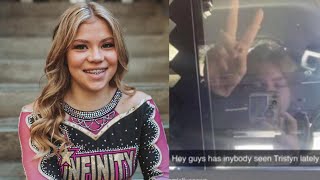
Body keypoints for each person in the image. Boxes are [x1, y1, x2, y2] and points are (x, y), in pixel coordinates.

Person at [18, 2, 169, 179]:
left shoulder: (141, 108)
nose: (96, 57)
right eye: (80, 46)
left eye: (107, 45)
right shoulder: (36, 118)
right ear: (63, 55)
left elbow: (159, 175)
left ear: (119, 51)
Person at [204, 0, 311, 149]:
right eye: (257, 85)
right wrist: (217, 94)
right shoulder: (225, 120)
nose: (270, 91)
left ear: (291, 90)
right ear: (242, 90)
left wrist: (293, 157)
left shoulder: (302, 128)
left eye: (279, 84)